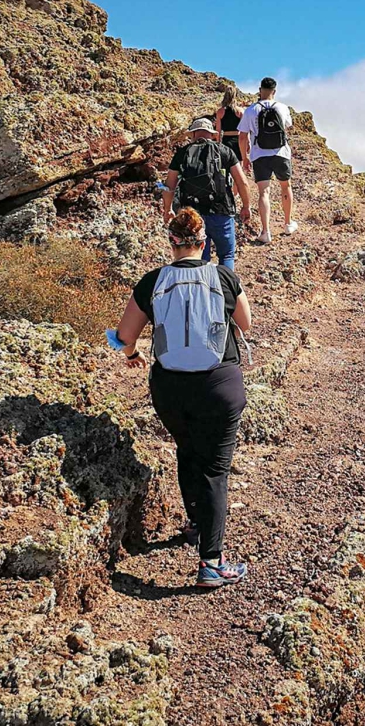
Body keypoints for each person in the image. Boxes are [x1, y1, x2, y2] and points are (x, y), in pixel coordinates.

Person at [111, 208, 252, 588]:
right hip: (219, 384)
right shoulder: (224, 276)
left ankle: (195, 522)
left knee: (187, 450)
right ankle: (212, 563)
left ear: (171, 242)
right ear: (204, 242)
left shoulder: (153, 281)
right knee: (214, 470)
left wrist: (132, 355)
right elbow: (245, 324)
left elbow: (124, 336)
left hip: (170, 387)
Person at [162, 117, 252, 271]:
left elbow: (169, 185)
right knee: (227, 255)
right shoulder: (224, 151)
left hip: (192, 214)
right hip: (222, 211)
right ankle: (227, 285)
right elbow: (242, 182)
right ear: (211, 134)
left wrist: (168, 209)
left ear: (193, 134)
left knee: (198, 257)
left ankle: (201, 284)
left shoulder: (182, 153)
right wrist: (246, 206)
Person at [238, 76, 297, 245]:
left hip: (259, 154)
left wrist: (244, 158)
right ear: (274, 91)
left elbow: (242, 137)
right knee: (285, 186)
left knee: (264, 192)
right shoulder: (282, 108)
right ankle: (288, 224)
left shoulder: (251, 110)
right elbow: (287, 127)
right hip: (281, 152)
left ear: (260, 90)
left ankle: (265, 232)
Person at [214, 86, 245, 164]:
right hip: (238, 141)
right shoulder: (240, 111)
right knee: (239, 166)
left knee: (226, 165)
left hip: (226, 140)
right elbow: (244, 130)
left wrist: (218, 145)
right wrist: (247, 144)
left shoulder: (220, 112)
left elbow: (218, 131)